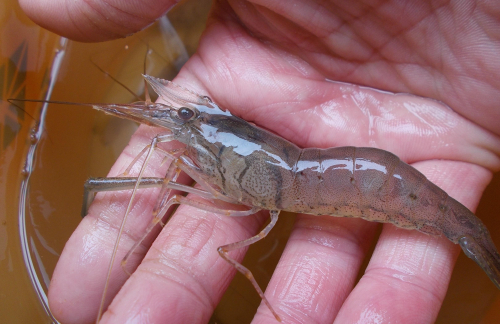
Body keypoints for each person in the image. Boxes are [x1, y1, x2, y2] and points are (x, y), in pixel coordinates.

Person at [20, 0, 500, 323]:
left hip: (362, 181)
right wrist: (188, 122)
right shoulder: (205, 139)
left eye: (188, 118)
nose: (179, 126)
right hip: (336, 173)